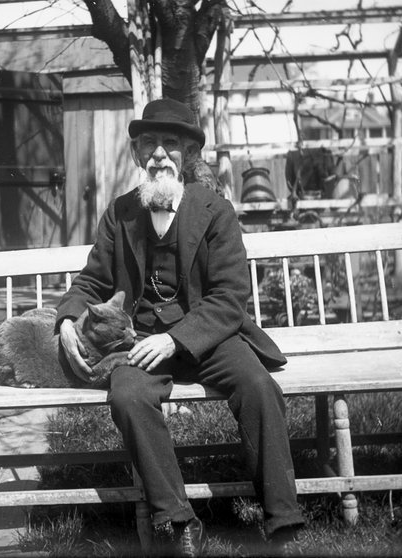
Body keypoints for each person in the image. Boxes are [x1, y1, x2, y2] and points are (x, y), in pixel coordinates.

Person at [55, 98, 304, 557]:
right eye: (149, 143)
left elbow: (229, 298)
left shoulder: (216, 211)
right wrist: (70, 315)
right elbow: (92, 280)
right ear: (136, 154)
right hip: (141, 341)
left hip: (210, 337)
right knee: (128, 397)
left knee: (258, 388)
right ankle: (179, 519)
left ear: (188, 155)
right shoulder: (121, 213)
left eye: (170, 143)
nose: (159, 154)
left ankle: (282, 521)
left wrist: (177, 339)